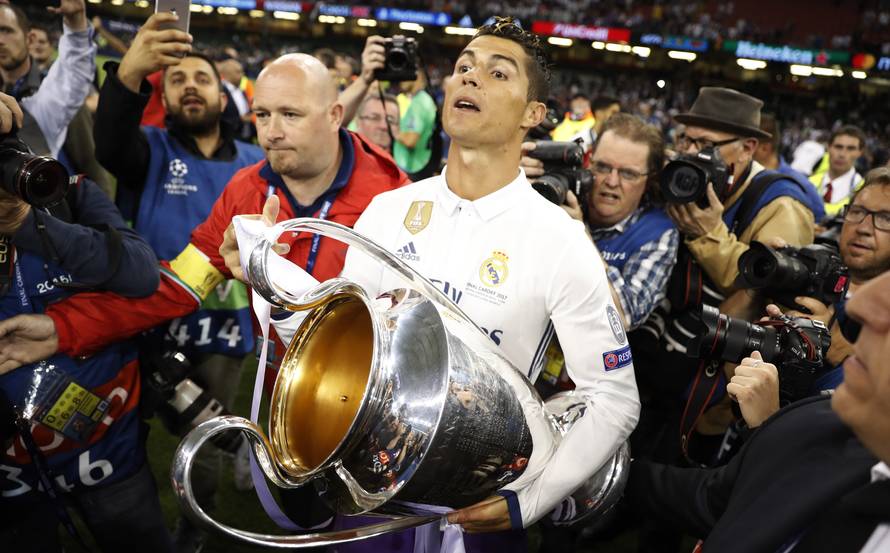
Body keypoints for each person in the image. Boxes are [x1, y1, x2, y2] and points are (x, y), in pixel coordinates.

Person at [225, 16, 639, 552]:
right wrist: (268, 275)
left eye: (497, 73)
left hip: (474, 513)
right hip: (369, 500)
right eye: (464, 67)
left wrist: (529, 502)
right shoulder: (388, 212)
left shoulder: (559, 240)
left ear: (533, 115)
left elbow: (613, 397)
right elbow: (334, 338)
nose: (470, 78)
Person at [92, 12, 265, 550]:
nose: (190, 86)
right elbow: (109, 145)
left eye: (202, 78)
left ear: (223, 94)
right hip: (146, 322)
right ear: (162, 96)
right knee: (132, 436)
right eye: (177, 79)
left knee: (203, 435)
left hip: (223, 331)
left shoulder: (256, 164)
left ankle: (197, 526)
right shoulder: (147, 151)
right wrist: (128, 76)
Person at [0, 92, 169, 553]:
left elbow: (142, 273)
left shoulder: (67, 194)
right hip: (12, 475)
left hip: (110, 455)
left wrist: (26, 223)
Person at [626, 268, 890, 553]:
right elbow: (713, 498)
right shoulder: (819, 423)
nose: (859, 305)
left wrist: (766, 422)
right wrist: (603, 476)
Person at [727, 166, 890, 429]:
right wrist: (764, 278)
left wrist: (833, 345)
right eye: (857, 212)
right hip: (734, 420)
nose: (864, 228)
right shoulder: (812, 268)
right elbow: (725, 330)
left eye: (886, 218)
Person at [0, 0, 95, 158]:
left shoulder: (43, 98)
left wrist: (76, 21)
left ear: (29, 39)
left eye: (7, 31)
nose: (0, 40)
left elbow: (75, 70)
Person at [809, 125, 866, 217]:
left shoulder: (863, 191)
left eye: (851, 148)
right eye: (838, 147)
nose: (842, 154)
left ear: (860, 152)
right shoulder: (809, 182)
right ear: (828, 147)